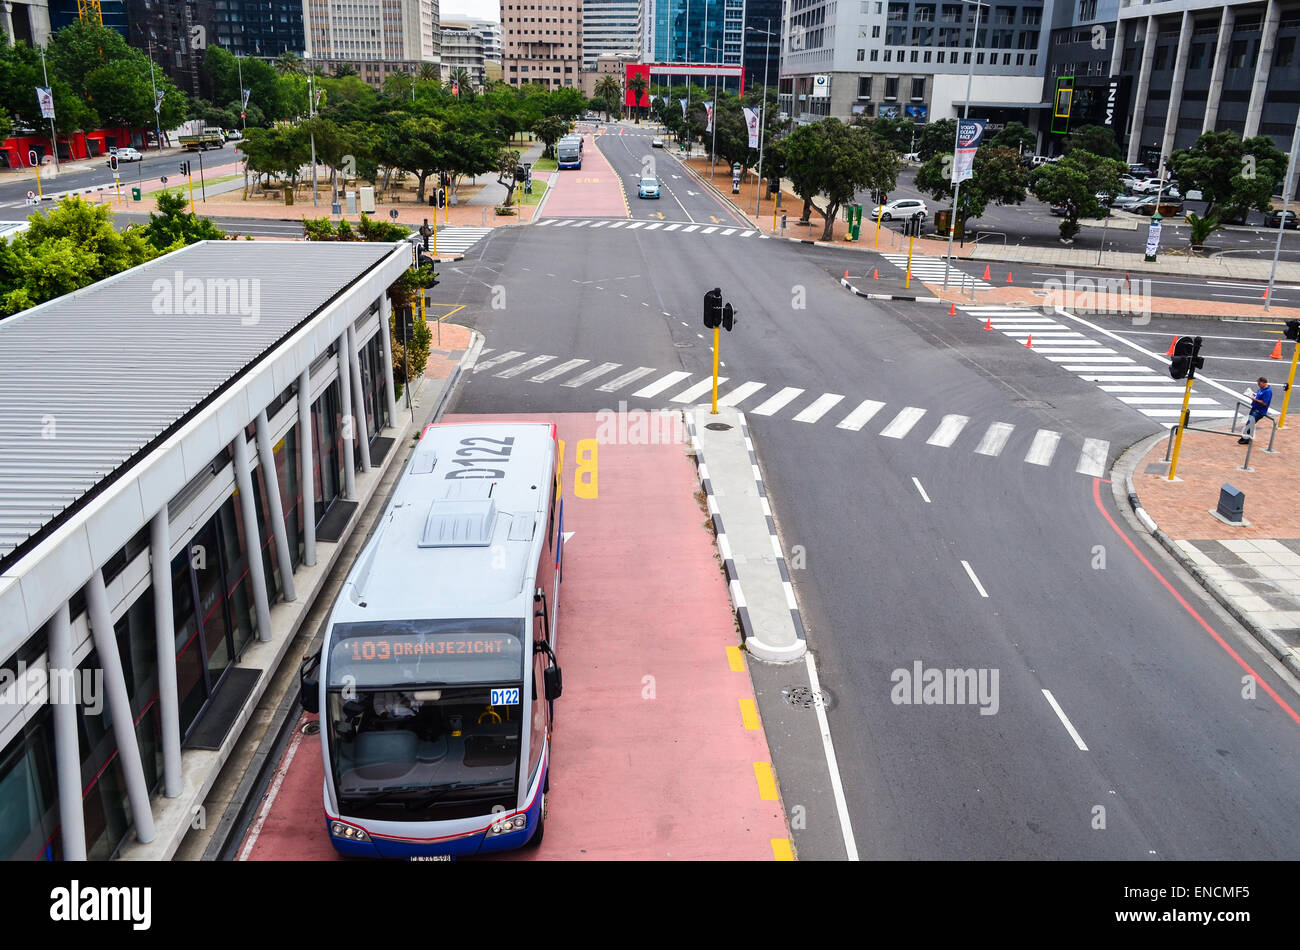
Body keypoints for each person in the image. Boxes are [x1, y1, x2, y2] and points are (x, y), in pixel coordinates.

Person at [1240, 377, 1272, 443]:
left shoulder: (1268, 392)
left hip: (1259, 411)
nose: (1258, 385)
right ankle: (1245, 437)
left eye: (1259, 383)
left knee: (1250, 423)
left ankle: (1247, 439)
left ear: (1264, 383)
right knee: (1249, 423)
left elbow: (1264, 403)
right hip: (1254, 408)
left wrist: (1255, 400)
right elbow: (1258, 395)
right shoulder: (1261, 389)